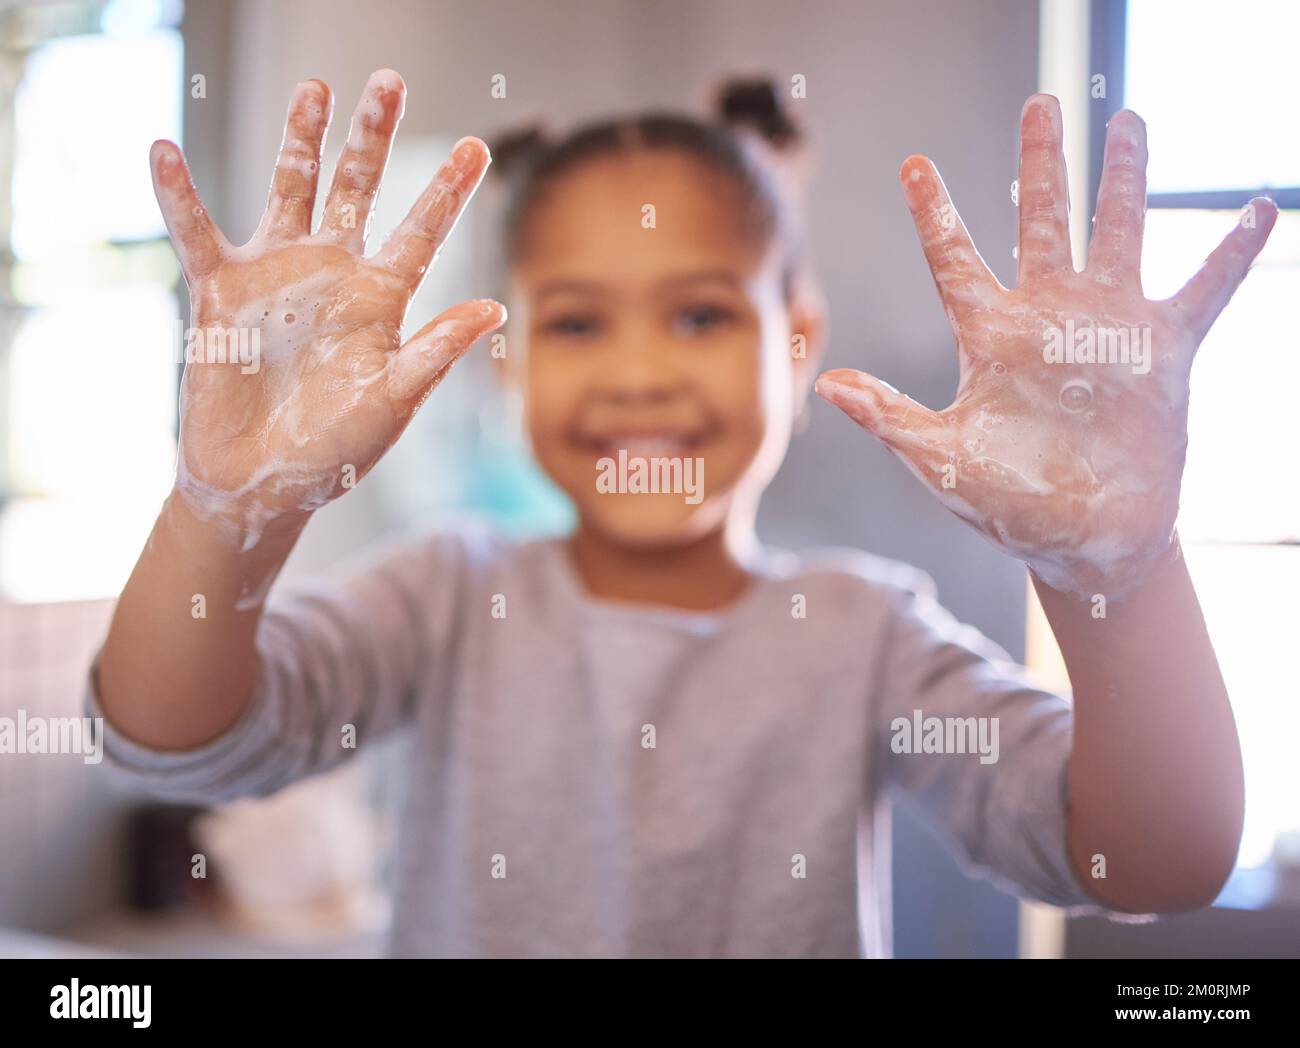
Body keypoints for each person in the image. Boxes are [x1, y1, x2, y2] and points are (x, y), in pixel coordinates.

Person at [87, 68, 1275, 957]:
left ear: (795, 341)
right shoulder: (443, 595)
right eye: (576, 322)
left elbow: (1151, 857)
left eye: (700, 316)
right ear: (508, 365)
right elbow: (168, 737)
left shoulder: (866, 633)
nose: (642, 374)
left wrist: (1113, 573)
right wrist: (223, 510)